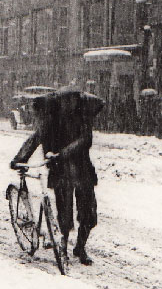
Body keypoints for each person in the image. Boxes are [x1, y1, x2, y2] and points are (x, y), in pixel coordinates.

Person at [10, 89, 104, 265]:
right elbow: (35, 139)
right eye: (66, 101)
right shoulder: (51, 120)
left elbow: (85, 140)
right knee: (65, 214)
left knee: (88, 215)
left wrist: (61, 153)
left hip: (82, 171)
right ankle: (64, 248)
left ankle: (80, 247)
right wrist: (19, 159)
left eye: (72, 101)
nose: (69, 105)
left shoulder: (82, 118)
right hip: (61, 172)